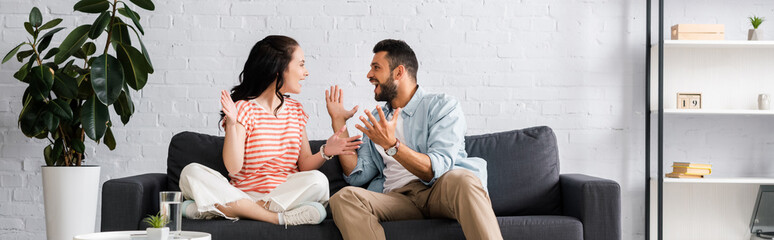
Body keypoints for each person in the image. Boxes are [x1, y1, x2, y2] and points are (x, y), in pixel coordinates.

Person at [325, 39, 504, 239]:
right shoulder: (377, 120)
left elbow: (437, 168)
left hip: (439, 190)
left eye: (376, 67)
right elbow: (358, 175)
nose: (369, 75)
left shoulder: (442, 106)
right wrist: (339, 122)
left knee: (464, 180)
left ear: (399, 72)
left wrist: (392, 146)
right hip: (399, 199)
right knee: (344, 197)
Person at [177, 35, 362, 226]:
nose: (306, 72)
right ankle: (272, 218)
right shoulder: (242, 109)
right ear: (279, 68)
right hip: (243, 193)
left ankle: (232, 210)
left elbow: (305, 164)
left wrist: (326, 152)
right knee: (190, 172)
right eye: (301, 64)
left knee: (319, 181)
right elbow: (233, 167)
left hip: (281, 197)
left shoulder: (296, 111)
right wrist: (232, 124)